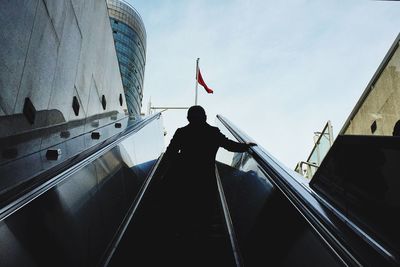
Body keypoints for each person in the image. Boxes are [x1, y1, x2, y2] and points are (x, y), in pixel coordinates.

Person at [161, 105, 256, 237]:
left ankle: (183, 233)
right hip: (206, 178)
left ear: (188, 118)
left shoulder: (182, 132)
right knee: (204, 210)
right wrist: (246, 146)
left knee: (185, 208)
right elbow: (229, 145)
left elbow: (169, 154)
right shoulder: (212, 132)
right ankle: (201, 234)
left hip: (185, 178)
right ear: (205, 117)